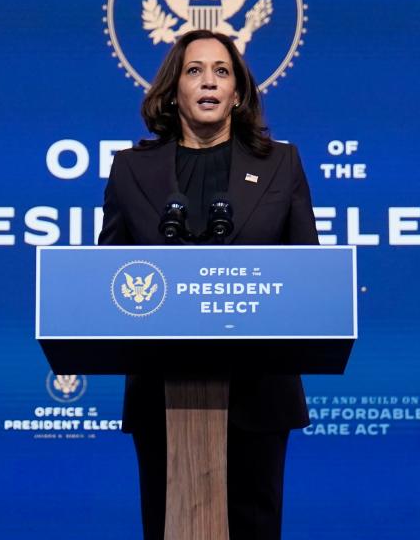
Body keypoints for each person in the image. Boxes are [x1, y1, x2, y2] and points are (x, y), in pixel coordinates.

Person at [98, 29, 319, 540]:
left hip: (259, 387)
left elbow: (309, 272)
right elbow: (108, 276)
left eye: (222, 71)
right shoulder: (131, 170)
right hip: (162, 387)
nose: (209, 82)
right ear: (173, 88)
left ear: (238, 92)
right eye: (195, 70)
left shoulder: (280, 163)